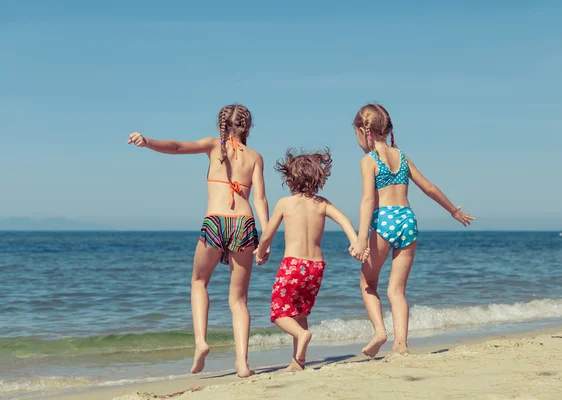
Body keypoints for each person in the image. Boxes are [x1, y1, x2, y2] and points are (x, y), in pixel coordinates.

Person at [127, 104, 269, 377]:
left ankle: (201, 342)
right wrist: (266, 237)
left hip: (215, 221)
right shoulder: (255, 157)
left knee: (199, 281)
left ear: (221, 125)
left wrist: (147, 142)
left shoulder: (214, 145)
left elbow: (178, 146)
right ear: (247, 127)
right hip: (244, 223)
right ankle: (242, 363)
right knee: (238, 300)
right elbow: (260, 199)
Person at [349, 104, 475, 358]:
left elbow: (368, 201)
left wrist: (362, 238)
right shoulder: (402, 157)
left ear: (364, 132)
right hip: (407, 220)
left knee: (367, 284)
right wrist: (453, 211)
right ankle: (401, 345)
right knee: (396, 290)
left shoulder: (368, 161)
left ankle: (380, 333)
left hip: (384, 221)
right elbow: (428, 187)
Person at [254, 148, 367, 372]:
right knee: (300, 311)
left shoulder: (285, 203)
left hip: (293, 264)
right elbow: (344, 219)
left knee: (279, 312)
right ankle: (299, 361)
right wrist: (355, 241)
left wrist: (261, 251)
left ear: (290, 179)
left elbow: (268, 233)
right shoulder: (322, 203)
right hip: (315, 267)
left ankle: (300, 334)